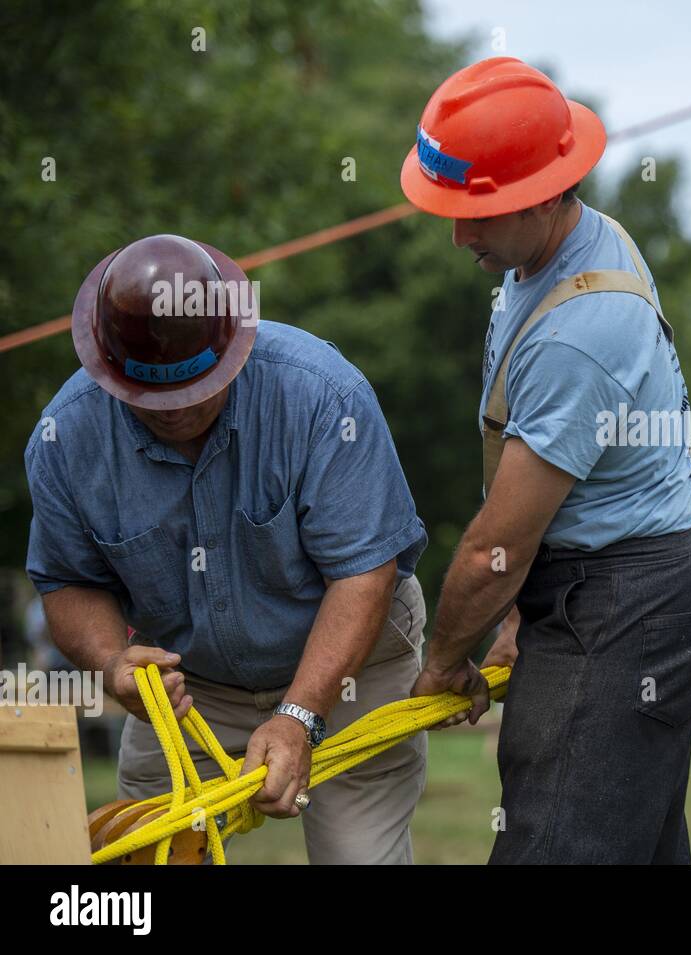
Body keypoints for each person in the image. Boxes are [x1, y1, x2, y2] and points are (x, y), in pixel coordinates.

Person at [399, 57, 691, 864]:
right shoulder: (549, 250)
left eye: (480, 214)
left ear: (546, 196)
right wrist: (519, 616)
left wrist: (444, 662)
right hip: (608, 589)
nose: (458, 234)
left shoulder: (583, 330)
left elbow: (491, 549)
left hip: (621, 614)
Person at [25, 234, 429, 863]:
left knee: (358, 857)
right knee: (144, 868)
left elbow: (364, 574)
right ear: (108, 368)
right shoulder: (63, 438)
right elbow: (69, 581)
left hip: (354, 673)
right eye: (150, 401)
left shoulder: (324, 396)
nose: (175, 412)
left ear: (233, 348)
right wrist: (111, 663)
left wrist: (300, 715)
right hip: (190, 693)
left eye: (192, 392)